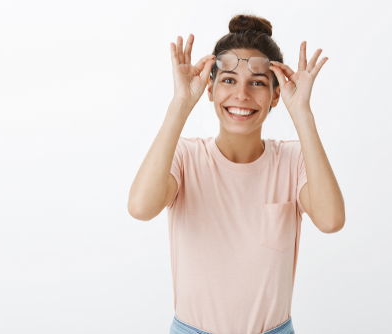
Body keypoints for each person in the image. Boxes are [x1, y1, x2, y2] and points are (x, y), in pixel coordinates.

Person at [127, 14, 345, 334]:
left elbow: (331, 220)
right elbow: (140, 208)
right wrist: (180, 103)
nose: (241, 95)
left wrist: (302, 113)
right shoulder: (186, 156)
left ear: (275, 95)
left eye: (256, 83)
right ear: (211, 89)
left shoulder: (293, 159)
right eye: (229, 80)